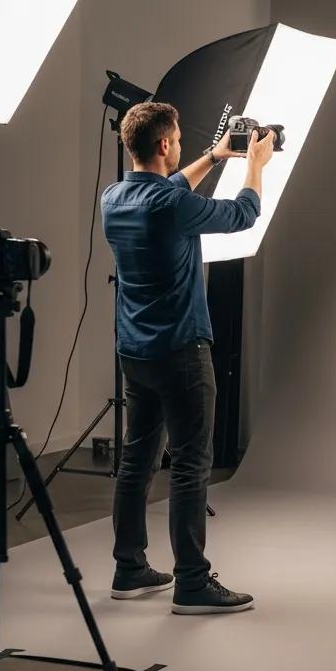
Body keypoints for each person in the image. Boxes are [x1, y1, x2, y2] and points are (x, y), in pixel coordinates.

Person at [101, 101, 274, 614]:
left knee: (136, 460)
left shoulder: (115, 197)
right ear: (163, 145)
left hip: (135, 352)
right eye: (177, 139)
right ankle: (192, 583)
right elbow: (243, 214)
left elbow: (170, 188)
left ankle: (129, 569)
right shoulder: (169, 206)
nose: (179, 147)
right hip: (180, 351)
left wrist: (214, 156)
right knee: (189, 466)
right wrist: (253, 167)